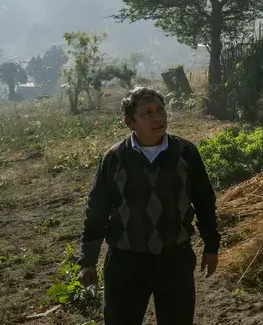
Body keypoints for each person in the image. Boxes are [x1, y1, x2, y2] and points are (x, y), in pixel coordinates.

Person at [76, 86, 220, 325]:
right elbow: (97, 212)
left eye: (160, 110)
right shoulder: (114, 159)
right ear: (129, 122)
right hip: (126, 262)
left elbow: (204, 200)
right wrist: (88, 261)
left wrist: (211, 245)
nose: (157, 117)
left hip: (175, 259)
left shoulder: (185, 153)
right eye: (147, 113)